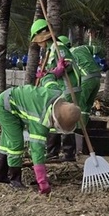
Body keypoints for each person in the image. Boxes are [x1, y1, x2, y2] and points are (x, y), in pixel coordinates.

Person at [0, 85, 81, 194]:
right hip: (5, 107)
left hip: (14, 102)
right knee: (16, 143)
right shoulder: (40, 119)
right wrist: (42, 181)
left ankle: (0, 175)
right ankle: (14, 179)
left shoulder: (57, 95)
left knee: (7, 140)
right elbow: (37, 150)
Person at [31, 19, 82, 162]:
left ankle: (68, 154)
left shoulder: (59, 46)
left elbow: (68, 64)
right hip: (59, 89)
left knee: (65, 118)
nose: (38, 43)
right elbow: (52, 69)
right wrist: (47, 73)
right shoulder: (50, 50)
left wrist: (61, 68)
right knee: (54, 119)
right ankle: (53, 152)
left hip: (67, 88)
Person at [70, 43, 107, 127]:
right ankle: (84, 126)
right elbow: (99, 49)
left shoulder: (68, 55)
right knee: (88, 105)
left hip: (86, 79)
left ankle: (79, 128)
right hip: (97, 79)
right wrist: (99, 60)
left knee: (80, 104)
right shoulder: (83, 48)